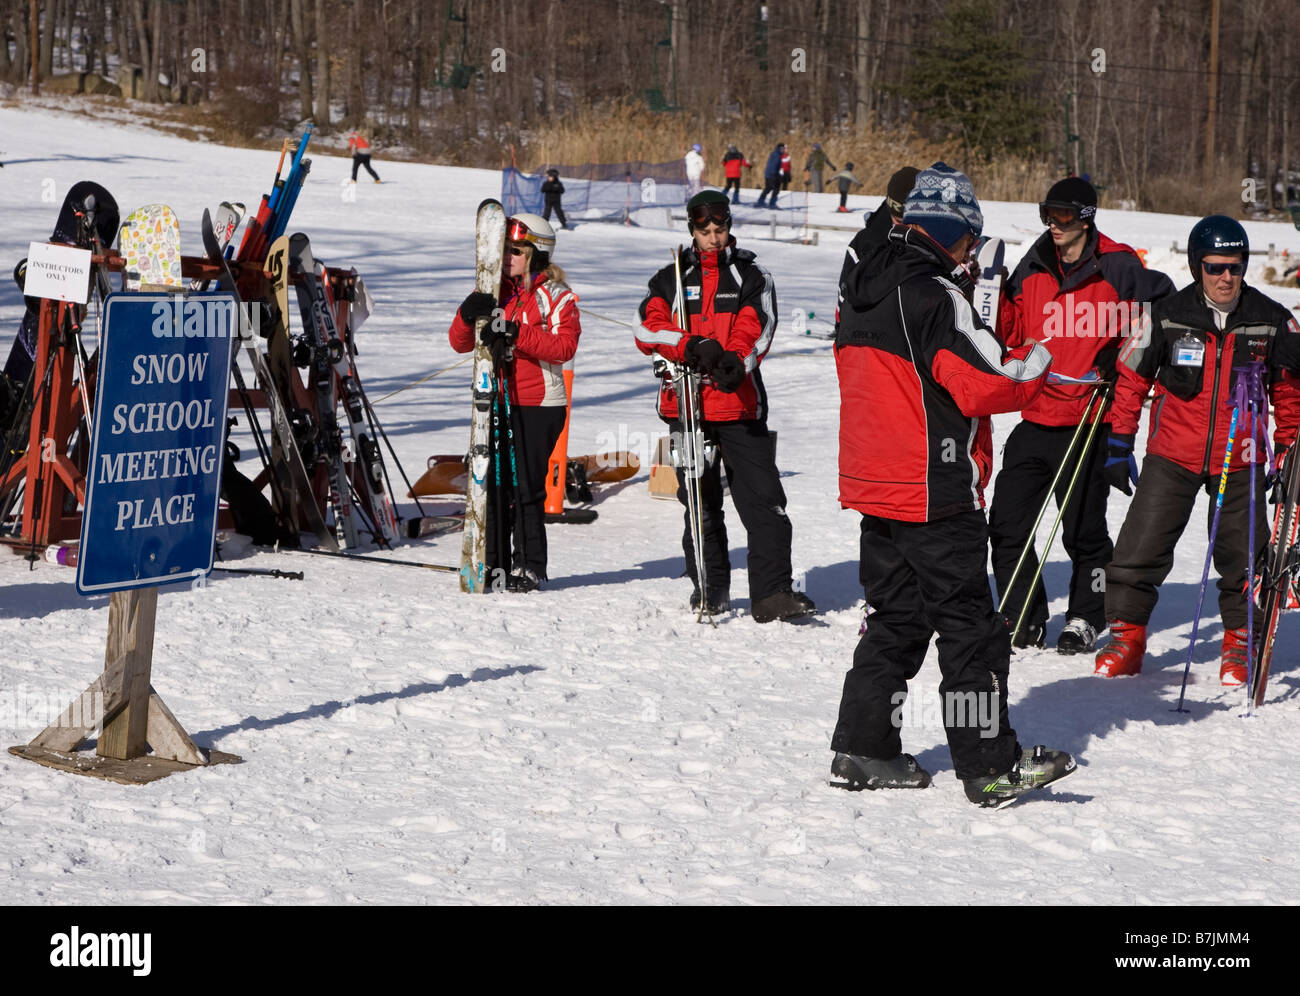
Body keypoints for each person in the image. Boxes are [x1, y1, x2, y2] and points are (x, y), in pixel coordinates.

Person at [829, 162, 1074, 807]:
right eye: (971, 239)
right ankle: (988, 764)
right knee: (971, 633)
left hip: (875, 483)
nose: (972, 253)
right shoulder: (934, 294)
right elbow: (994, 381)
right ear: (953, 232)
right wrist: (1043, 355)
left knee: (894, 622)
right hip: (934, 490)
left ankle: (864, 747)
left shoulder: (862, 283)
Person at [1095, 215, 1300, 683]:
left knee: (1243, 554)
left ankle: (1238, 642)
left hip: (1243, 454)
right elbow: (1130, 379)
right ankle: (1127, 638)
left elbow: (1290, 392)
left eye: (1235, 266)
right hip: (1173, 453)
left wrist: (1289, 448)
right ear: (1196, 266)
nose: (1226, 277)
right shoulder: (1166, 313)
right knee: (1140, 546)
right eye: (1215, 267)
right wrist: (1119, 439)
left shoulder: (1273, 321)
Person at [990, 177, 1175, 654]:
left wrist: (1126, 353)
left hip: (1091, 417)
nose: (1053, 224)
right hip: (1037, 414)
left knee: (1082, 530)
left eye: (1064, 215)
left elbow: (1162, 309)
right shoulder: (1030, 266)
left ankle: (1085, 615)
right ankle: (1021, 614)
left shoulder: (1119, 265)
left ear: (1087, 216)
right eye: (1046, 213)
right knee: (1008, 522)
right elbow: (1006, 329)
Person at [635, 190, 815, 623]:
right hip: (687, 407)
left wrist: (735, 359)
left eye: (720, 229)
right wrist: (690, 345)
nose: (714, 238)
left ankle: (771, 593)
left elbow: (760, 324)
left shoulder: (751, 274)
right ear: (692, 230)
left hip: (738, 405)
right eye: (705, 231)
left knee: (764, 500)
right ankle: (709, 587)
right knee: (698, 500)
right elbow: (648, 329)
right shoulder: (670, 277)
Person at [448, 214, 580, 591]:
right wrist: (467, 314)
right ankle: (492, 564)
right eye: (504, 249)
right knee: (491, 484)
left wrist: (517, 333)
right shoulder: (494, 290)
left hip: (538, 403)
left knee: (524, 487)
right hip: (495, 398)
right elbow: (459, 342)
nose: (507, 257)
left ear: (536, 254)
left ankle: (529, 565)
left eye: (516, 251)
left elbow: (564, 347)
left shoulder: (556, 296)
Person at [835, 165, 919, 630]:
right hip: (876, 379)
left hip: (917, 381)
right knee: (880, 500)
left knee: (917, 496)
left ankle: (918, 594)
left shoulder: (933, 238)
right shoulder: (868, 243)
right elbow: (850, 312)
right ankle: (882, 600)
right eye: (901, 211)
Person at [756, 143, 785, 208]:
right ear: (779, 149)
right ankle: (768, 203)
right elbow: (772, 165)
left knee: (771, 188)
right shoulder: (776, 155)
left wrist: (779, 175)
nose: (784, 150)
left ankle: (763, 202)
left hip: (771, 174)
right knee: (772, 188)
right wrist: (774, 175)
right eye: (782, 149)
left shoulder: (777, 154)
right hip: (771, 175)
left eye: (784, 149)